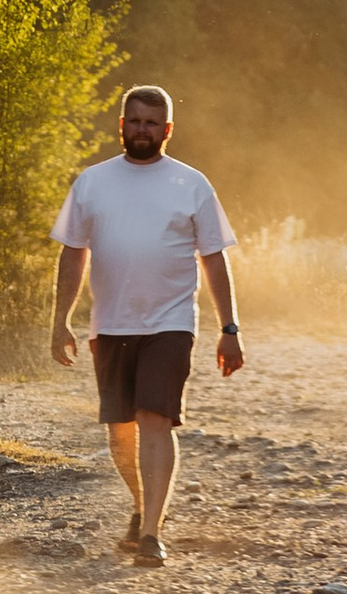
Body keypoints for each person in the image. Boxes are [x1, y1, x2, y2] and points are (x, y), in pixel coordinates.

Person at [50, 84, 243, 566]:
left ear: (167, 129)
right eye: (134, 121)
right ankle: (142, 507)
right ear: (121, 125)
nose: (142, 130)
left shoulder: (192, 184)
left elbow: (214, 260)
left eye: (152, 123)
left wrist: (230, 327)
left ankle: (152, 533)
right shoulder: (92, 182)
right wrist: (60, 321)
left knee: (155, 419)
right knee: (120, 433)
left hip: (171, 322)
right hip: (110, 324)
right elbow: (73, 254)